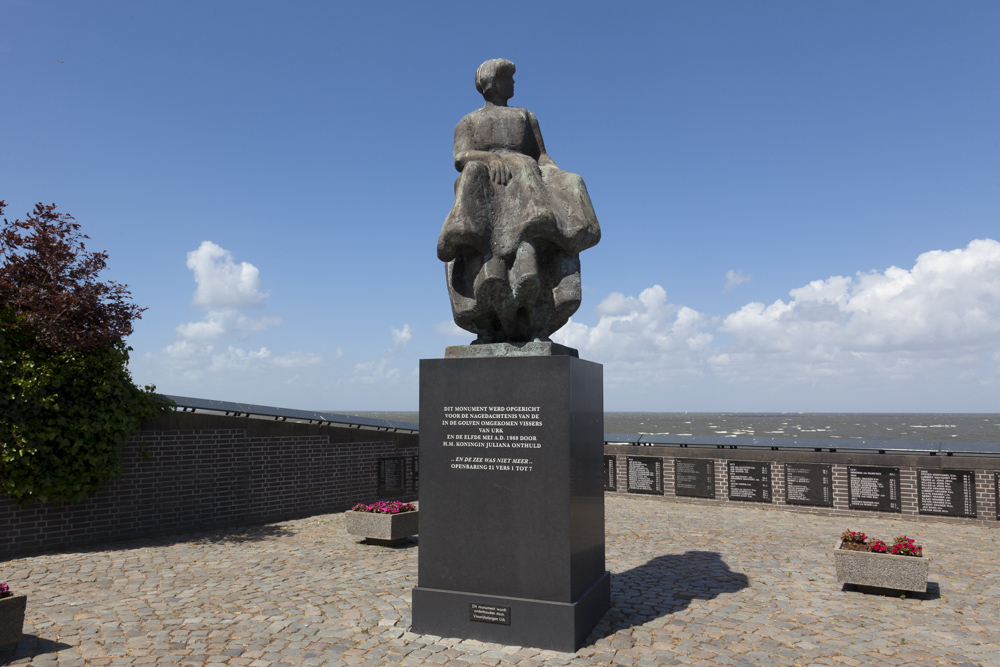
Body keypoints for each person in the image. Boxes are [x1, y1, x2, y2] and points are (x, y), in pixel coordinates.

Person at [438, 58, 601, 344]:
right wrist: (490, 158)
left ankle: (533, 261)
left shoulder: (526, 116)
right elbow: (461, 157)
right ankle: (477, 248)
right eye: (507, 78)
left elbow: (542, 156)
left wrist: (556, 174)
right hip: (487, 183)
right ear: (492, 83)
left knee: (555, 178)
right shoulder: (468, 122)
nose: (513, 83)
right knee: (477, 173)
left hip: (527, 181)